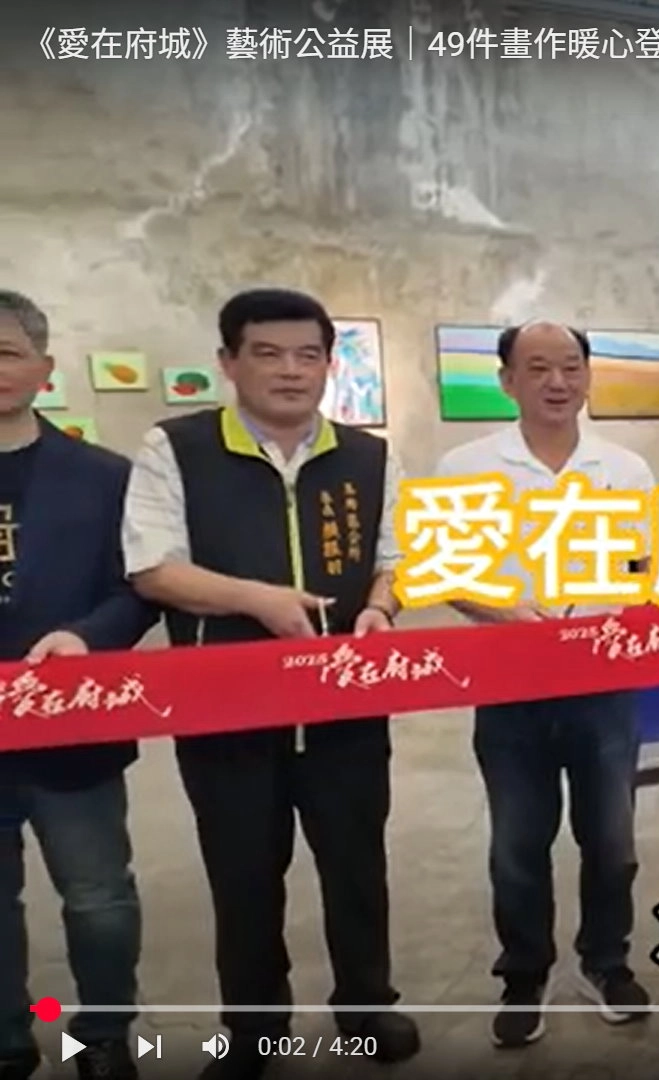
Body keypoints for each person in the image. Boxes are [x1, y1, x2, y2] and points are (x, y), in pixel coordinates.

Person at [121, 288, 419, 1080]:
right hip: (227, 713)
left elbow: (396, 557)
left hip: (346, 710)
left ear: (328, 364)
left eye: (308, 355)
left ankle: (367, 1006)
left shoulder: (369, 456)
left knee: (357, 868)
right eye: (268, 354)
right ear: (229, 362)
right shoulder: (175, 447)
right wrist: (257, 600)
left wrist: (382, 608)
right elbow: (153, 567)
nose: (290, 371)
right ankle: (255, 1030)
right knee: (245, 877)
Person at [434, 321, 655, 1048]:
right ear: (507, 381)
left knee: (613, 840)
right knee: (518, 843)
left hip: (605, 685)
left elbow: (646, 570)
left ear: (589, 377)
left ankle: (606, 962)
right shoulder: (466, 467)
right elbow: (448, 574)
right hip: (511, 684)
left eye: (570, 367)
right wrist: (502, 610)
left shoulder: (625, 470)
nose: (557, 382)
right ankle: (524, 973)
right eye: (537, 368)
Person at [0, 291, 155, 1080]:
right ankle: (9, 1036)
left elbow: (139, 587)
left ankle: (103, 1033)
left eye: (6, 352)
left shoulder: (103, 476)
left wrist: (88, 638)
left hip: (70, 721)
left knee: (97, 896)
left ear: (45, 367)